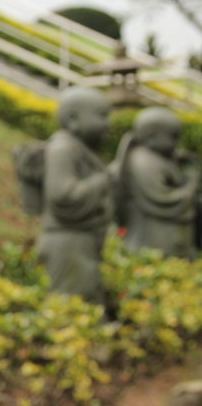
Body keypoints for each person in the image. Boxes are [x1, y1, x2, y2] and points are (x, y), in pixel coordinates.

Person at [38, 87, 114, 303]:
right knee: (72, 297)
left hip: (82, 239)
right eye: (102, 116)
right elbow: (62, 197)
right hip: (67, 241)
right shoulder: (62, 150)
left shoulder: (80, 149)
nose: (108, 123)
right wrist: (101, 181)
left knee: (88, 291)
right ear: (73, 119)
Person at [115, 107, 198, 259]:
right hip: (152, 241)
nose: (177, 143)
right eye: (173, 137)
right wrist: (192, 184)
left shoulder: (155, 157)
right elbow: (165, 200)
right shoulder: (143, 162)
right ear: (151, 135)